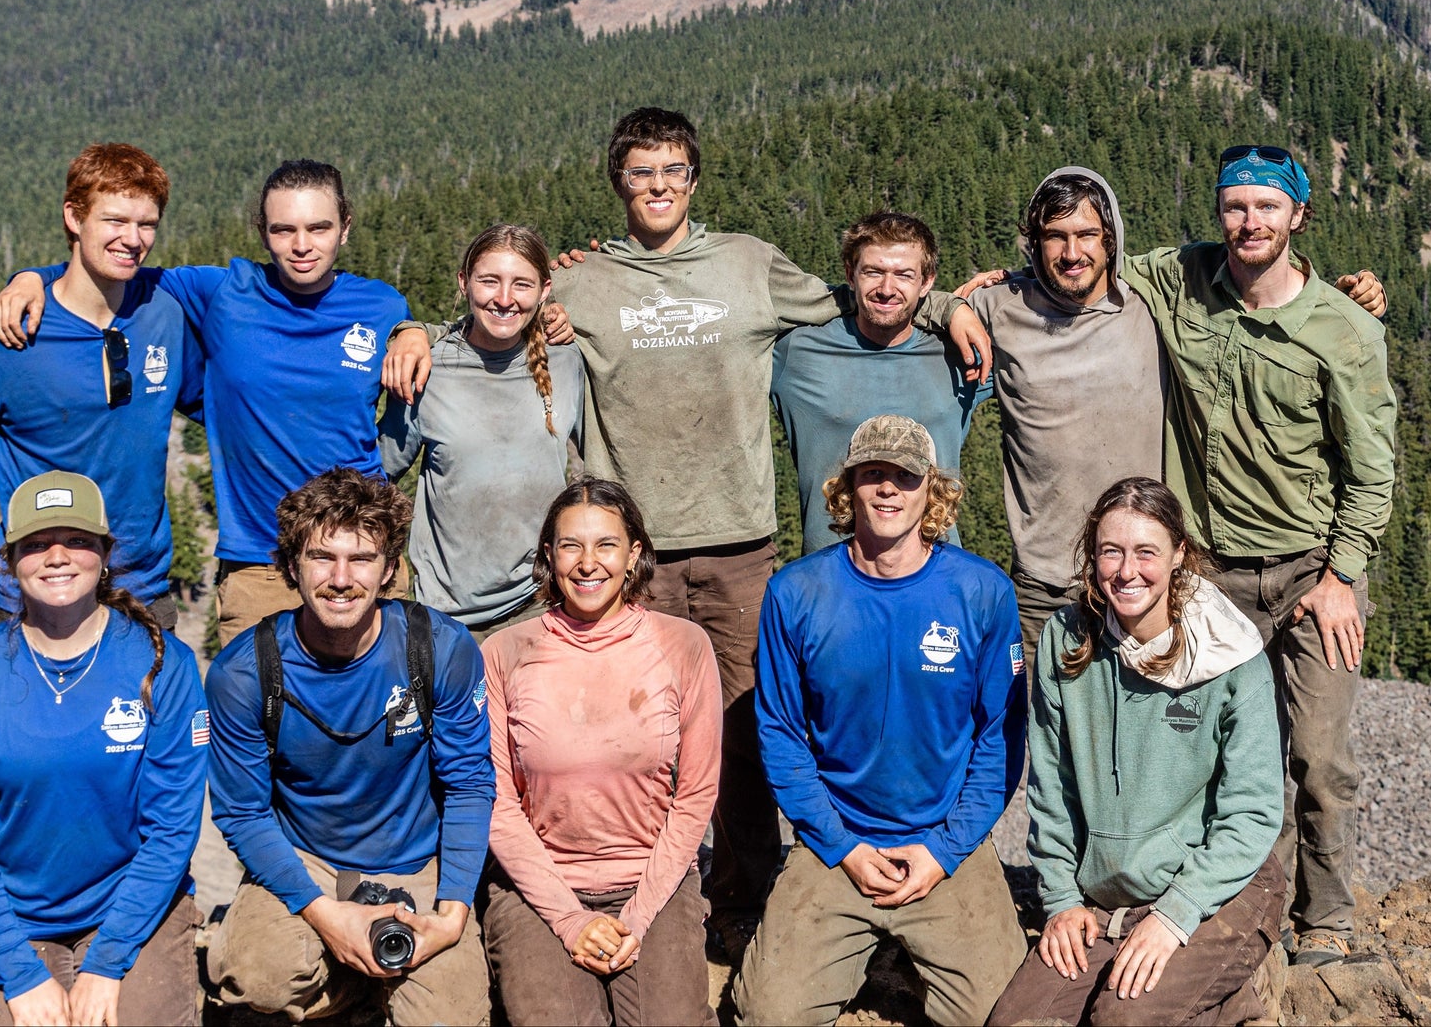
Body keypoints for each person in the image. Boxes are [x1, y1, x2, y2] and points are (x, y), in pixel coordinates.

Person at [388, 107, 993, 937]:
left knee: (744, 732)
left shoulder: (748, 262)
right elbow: (497, 305)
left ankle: (743, 899)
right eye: (640, 173)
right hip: (627, 559)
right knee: (621, 734)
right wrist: (410, 327)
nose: (658, 187)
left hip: (740, 547)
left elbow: (858, 297)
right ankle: (633, 898)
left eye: (672, 171)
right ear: (618, 183)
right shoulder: (585, 279)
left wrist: (946, 310)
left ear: (695, 179)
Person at [1118, 145, 1398, 968]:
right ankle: (1246, 915)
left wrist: (1342, 577)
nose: (1249, 223)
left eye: (1267, 208)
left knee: (1318, 758)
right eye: (1236, 207)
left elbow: (1372, 468)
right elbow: (1084, 262)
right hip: (1211, 576)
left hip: (1312, 571)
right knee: (1227, 759)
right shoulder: (1182, 281)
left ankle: (1327, 920)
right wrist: (969, 300)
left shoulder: (1344, 329)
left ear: (1298, 216)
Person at [957, 166, 1387, 657]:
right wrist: (951, 309)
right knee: (1044, 731)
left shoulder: (1149, 301)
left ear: (1113, 239)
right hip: (1043, 582)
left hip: (1145, 581)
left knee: (1149, 729)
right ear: (1033, 242)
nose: (1072, 253)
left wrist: (1347, 301)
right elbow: (909, 318)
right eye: (1054, 236)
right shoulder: (997, 307)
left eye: (1087, 235)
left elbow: (1268, 294)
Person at [0, 158, 409, 641]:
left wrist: (414, 330)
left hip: (363, 552)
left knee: (387, 703)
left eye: (319, 227)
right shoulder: (223, 292)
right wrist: (29, 278)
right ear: (261, 230)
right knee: (261, 709)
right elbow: (110, 268)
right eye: (282, 229)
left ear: (346, 226)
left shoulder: (383, 306)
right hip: (263, 560)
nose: (301, 245)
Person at [736, 416, 1027, 1027]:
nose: (888, 489)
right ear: (847, 490)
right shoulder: (796, 594)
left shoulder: (982, 593)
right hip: (836, 840)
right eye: (873, 475)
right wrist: (841, 846)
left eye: (904, 476)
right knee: (769, 1015)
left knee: (1002, 1014)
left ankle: (906, 956)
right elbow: (782, 736)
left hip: (943, 837)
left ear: (932, 492)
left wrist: (945, 851)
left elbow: (998, 740)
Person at [203, 468, 494, 1025]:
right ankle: (355, 982)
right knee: (259, 978)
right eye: (321, 557)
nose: (341, 578)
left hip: (415, 859)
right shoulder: (246, 673)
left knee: (450, 1015)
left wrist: (453, 911)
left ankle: (362, 983)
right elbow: (242, 812)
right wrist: (323, 915)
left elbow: (469, 783)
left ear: (389, 569)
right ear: (291, 567)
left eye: (361, 558)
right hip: (308, 857)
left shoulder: (436, 648)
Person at [987, 477, 1282, 1027]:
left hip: (1221, 884)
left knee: (1120, 1021)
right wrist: (1061, 901)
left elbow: (1253, 811)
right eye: (1110, 552)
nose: (1127, 571)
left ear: (1179, 556)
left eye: (1147, 552)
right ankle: (1218, 997)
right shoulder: (1065, 640)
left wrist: (1174, 916)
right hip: (1108, 893)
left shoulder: (1231, 654)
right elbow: (1053, 788)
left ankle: (1232, 985)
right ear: (1091, 557)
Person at [0, 471, 209, 1027]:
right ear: (10, 562)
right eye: (35, 545)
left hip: (131, 910)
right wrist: (20, 974)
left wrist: (108, 963)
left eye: (77, 541)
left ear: (105, 554)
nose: (57, 557)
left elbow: (172, 828)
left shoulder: (162, 665)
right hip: (14, 920)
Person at [481, 479, 721, 1027]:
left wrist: (637, 918)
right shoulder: (505, 652)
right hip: (540, 886)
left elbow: (696, 794)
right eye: (571, 546)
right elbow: (496, 800)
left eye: (606, 545)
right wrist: (568, 919)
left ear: (634, 553)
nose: (588, 563)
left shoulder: (683, 645)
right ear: (549, 554)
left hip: (652, 880)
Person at [0, 143, 202, 624]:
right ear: (74, 218)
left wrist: (403, 330)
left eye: (147, 224)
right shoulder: (12, 331)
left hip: (142, 591)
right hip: (34, 597)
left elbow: (234, 397)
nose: (133, 239)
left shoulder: (164, 312)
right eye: (115, 221)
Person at [380, 225, 586, 636]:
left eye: (521, 284)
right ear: (464, 282)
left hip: (543, 606)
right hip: (446, 619)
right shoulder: (429, 368)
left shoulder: (566, 361)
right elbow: (378, 474)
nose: (505, 299)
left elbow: (591, 468)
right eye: (489, 281)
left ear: (545, 290)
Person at [771, 210, 986, 552]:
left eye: (904, 275)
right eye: (873, 272)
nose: (887, 289)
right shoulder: (796, 352)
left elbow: (1047, 311)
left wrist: (958, 305)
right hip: (831, 577)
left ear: (927, 281)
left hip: (938, 575)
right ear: (850, 275)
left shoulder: (961, 353)